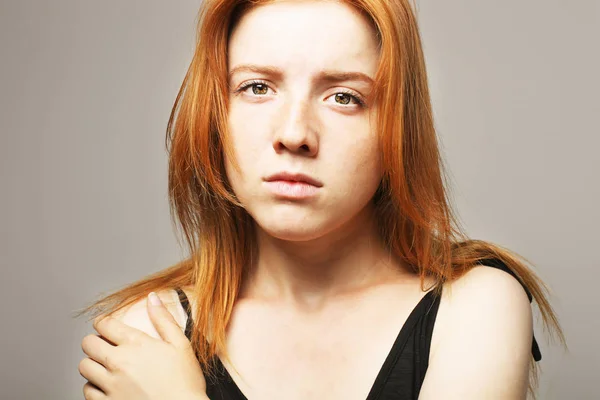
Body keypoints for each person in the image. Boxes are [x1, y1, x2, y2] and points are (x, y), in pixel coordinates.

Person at [75, 0, 566, 399]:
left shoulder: (476, 306)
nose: (294, 134)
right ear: (215, 117)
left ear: (396, 129)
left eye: (344, 97)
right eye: (257, 87)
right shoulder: (145, 336)